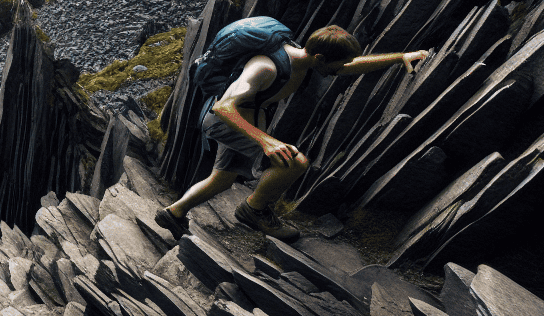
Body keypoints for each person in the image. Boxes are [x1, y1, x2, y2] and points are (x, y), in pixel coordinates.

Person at [154, 23, 429, 241]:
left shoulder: (303, 58)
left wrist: (399, 57)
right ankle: (254, 211)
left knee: (222, 179)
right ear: (321, 57)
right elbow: (224, 108)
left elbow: (348, 66)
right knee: (294, 162)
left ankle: (173, 213)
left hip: (250, 121)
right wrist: (266, 142)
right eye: (336, 64)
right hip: (228, 122)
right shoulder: (265, 66)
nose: (339, 69)